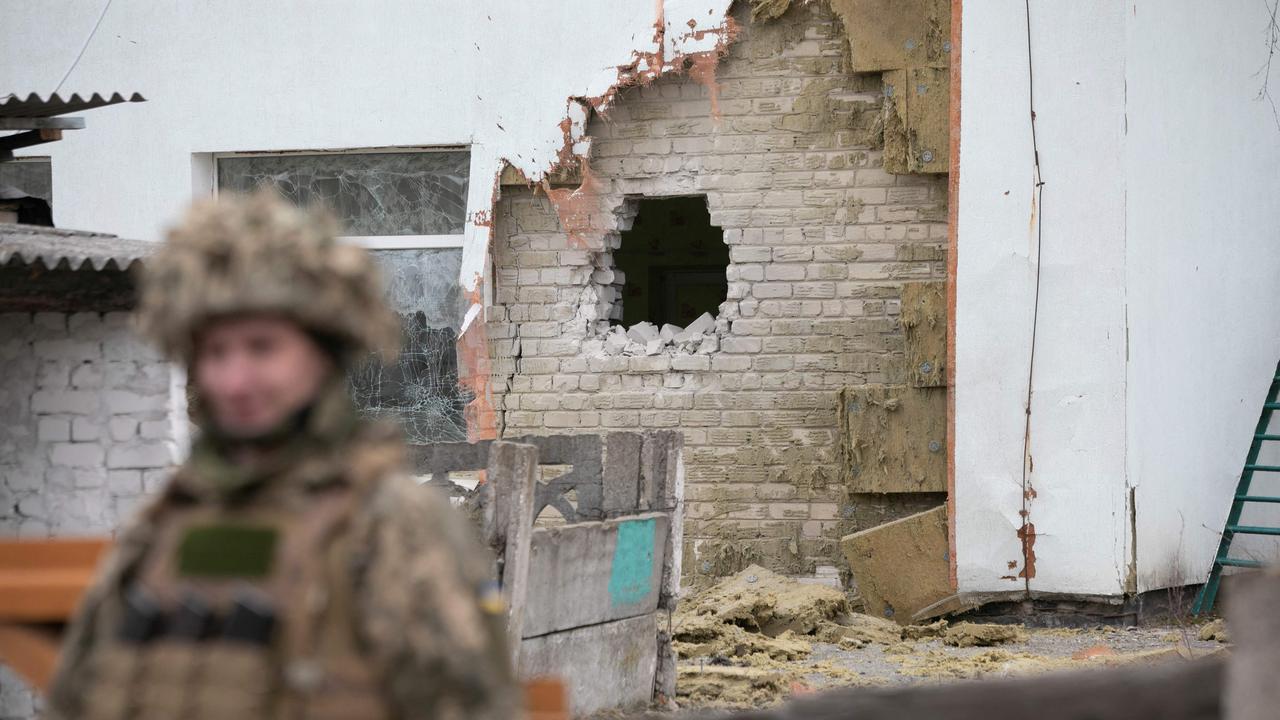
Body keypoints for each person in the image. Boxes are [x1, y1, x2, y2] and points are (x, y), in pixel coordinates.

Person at [46, 191, 518, 720]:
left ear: (325, 352)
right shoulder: (165, 524)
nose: (235, 380)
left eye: (262, 347)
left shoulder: (393, 526)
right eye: (216, 352)